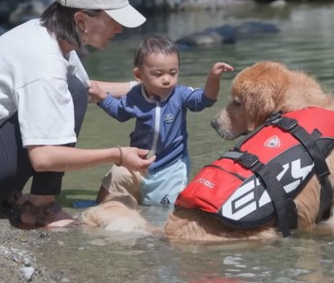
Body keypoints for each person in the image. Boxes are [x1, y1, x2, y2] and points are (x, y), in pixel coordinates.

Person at [0, 0, 156, 228]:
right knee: (70, 89)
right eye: (113, 19)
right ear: (82, 20)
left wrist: (146, 87)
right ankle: (41, 208)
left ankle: (35, 201)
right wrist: (118, 154)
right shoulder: (44, 61)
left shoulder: (50, 33)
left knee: (74, 89)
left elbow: (90, 90)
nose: (120, 28)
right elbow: (43, 159)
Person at [89, 35, 234, 206]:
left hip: (170, 167)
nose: (167, 79)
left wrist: (213, 78)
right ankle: (97, 213)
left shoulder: (180, 95)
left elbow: (204, 100)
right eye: (158, 74)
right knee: (112, 181)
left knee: (163, 211)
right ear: (139, 75)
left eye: (173, 73)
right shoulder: (136, 95)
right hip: (137, 161)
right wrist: (101, 97)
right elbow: (120, 112)